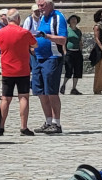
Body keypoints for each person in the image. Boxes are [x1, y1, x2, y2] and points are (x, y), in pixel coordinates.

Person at [0, 10, 36, 136]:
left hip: (7, 68)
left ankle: (0, 126)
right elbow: (35, 44)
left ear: (7, 19)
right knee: (23, 97)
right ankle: (23, 127)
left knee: (5, 98)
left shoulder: (1, 32)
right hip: (22, 68)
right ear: (18, 19)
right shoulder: (24, 32)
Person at [30, 0, 67, 134]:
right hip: (38, 58)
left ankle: (57, 123)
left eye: (42, 5)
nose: (40, 8)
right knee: (41, 92)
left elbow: (62, 39)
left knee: (51, 92)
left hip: (52, 58)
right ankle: (48, 121)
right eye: (38, 6)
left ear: (50, 4)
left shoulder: (58, 17)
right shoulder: (41, 18)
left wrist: (46, 36)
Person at [61, 14, 83, 95]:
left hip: (77, 52)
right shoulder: (67, 30)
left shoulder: (78, 31)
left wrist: (81, 50)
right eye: (72, 19)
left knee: (77, 70)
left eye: (75, 19)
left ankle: (74, 88)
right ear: (69, 21)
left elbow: (80, 41)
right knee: (69, 70)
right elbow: (64, 41)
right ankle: (63, 85)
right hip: (69, 52)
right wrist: (64, 51)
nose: (74, 21)